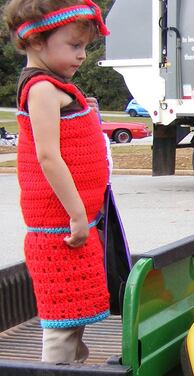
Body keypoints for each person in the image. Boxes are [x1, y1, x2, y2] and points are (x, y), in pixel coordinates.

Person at [4, 0, 111, 363]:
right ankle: (57, 369)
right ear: (36, 41)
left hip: (72, 218)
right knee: (61, 320)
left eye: (84, 46)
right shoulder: (42, 89)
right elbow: (48, 157)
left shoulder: (55, 85)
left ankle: (75, 364)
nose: (82, 55)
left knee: (75, 312)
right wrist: (78, 214)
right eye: (74, 45)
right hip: (60, 223)